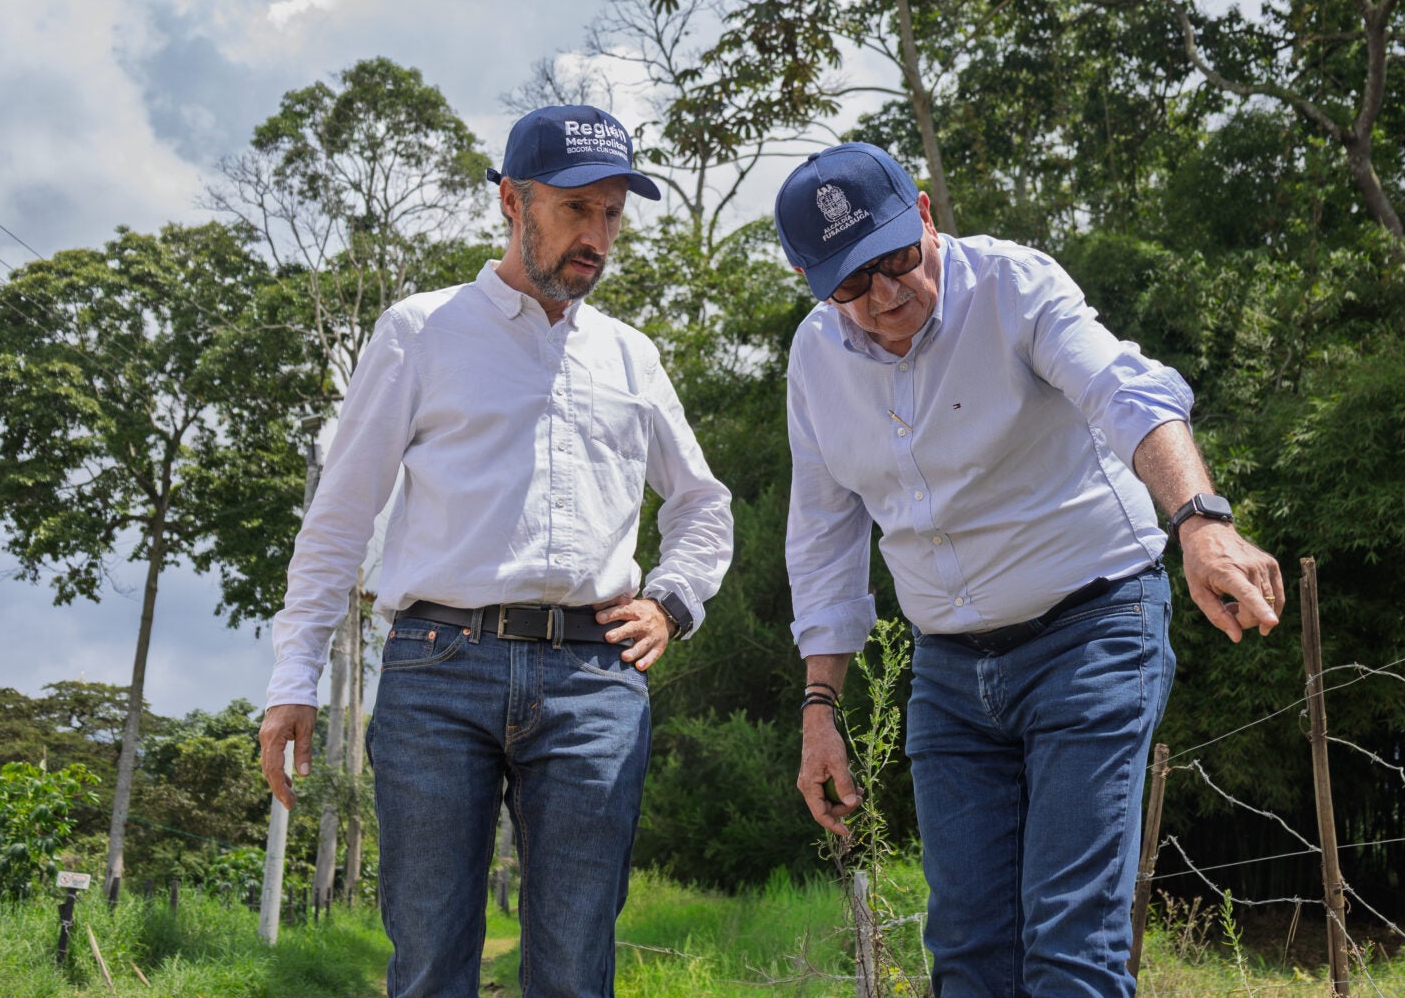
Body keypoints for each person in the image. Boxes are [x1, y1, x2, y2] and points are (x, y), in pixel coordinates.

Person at [774, 142, 1281, 998]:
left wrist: (1199, 520)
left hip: (1090, 633)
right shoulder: (815, 360)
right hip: (948, 671)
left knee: (1067, 938)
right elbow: (823, 535)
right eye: (851, 286)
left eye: (897, 259)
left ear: (926, 214)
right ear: (810, 280)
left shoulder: (1013, 286)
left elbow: (1127, 391)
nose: (887, 296)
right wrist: (820, 704)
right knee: (968, 951)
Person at [258, 105, 734, 998]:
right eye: (575, 209)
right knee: (433, 959)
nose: (597, 235)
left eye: (612, 214)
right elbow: (339, 519)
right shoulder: (418, 331)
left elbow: (705, 505)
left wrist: (672, 602)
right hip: (438, 669)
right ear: (511, 202)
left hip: (595, 679)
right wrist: (294, 680)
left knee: (574, 966)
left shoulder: (633, 358)